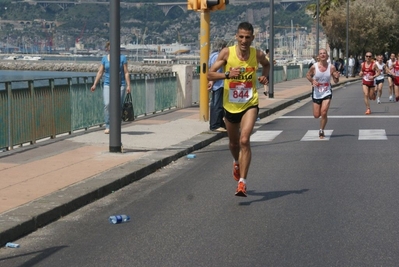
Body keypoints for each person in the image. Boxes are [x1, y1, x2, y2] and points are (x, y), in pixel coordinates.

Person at [207, 22, 270, 197]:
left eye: (247, 37)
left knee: (244, 140)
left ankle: (242, 183)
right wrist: (226, 75)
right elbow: (209, 74)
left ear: (252, 38)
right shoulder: (227, 53)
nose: (244, 40)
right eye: (241, 37)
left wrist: (265, 76)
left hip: (250, 102)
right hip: (230, 104)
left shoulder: (257, 54)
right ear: (236, 36)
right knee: (234, 143)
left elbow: (267, 64)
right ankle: (236, 161)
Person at [90, 41, 131, 134]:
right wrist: (94, 84)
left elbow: (126, 72)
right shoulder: (104, 59)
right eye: (110, 47)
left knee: (118, 105)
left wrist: (129, 85)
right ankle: (108, 125)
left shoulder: (122, 58)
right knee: (107, 104)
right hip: (108, 84)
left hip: (120, 84)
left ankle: (117, 125)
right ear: (107, 48)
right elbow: (100, 72)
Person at [306, 49, 340, 139]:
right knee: (316, 115)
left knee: (324, 112)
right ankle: (322, 119)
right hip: (317, 92)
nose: (322, 55)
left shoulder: (331, 67)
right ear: (318, 56)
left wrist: (336, 77)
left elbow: (336, 81)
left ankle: (321, 130)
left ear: (327, 55)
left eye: (324, 53)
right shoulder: (314, 67)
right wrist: (313, 81)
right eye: (321, 53)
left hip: (327, 91)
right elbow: (308, 75)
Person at [207, 39, 227, 132]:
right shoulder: (217, 57)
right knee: (218, 105)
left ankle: (220, 123)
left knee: (216, 104)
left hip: (216, 84)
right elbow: (216, 72)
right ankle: (215, 125)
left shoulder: (212, 56)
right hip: (219, 84)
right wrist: (212, 82)